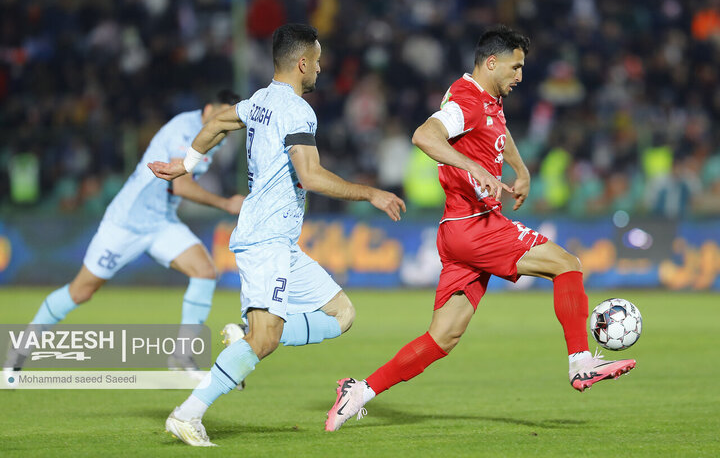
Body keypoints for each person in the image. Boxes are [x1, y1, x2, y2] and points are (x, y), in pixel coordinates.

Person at [325, 25, 637, 432]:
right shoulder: (465, 100)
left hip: (458, 231)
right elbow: (424, 135)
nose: (520, 75)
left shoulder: (488, 100)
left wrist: (521, 170)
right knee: (568, 264)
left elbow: (498, 132)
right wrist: (470, 165)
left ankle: (358, 391)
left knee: (442, 338)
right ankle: (581, 363)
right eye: (516, 66)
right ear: (492, 62)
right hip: (477, 225)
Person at [148, 23, 406, 447]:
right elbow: (310, 175)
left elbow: (217, 121)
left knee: (342, 314)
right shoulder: (298, 110)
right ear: (302, 63)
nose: (321, 69)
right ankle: (188, 414)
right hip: (266, 239)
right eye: (318, 61)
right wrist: (370, 193)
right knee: (264, 340)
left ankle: (242, 337)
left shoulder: (258, 101)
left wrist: (187, 163)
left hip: (281, 242)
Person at [2, 90, 245, 379]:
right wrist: (225, 203)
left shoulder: (215, 138)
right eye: (221, 117)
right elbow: (181, 186)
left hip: (160, 222)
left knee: (205, 271)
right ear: (207, 109)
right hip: (127, 222)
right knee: (81, 291)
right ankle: (20, 349)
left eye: (229, 123)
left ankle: (183, 354)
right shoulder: (186, 129)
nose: (224, 125)